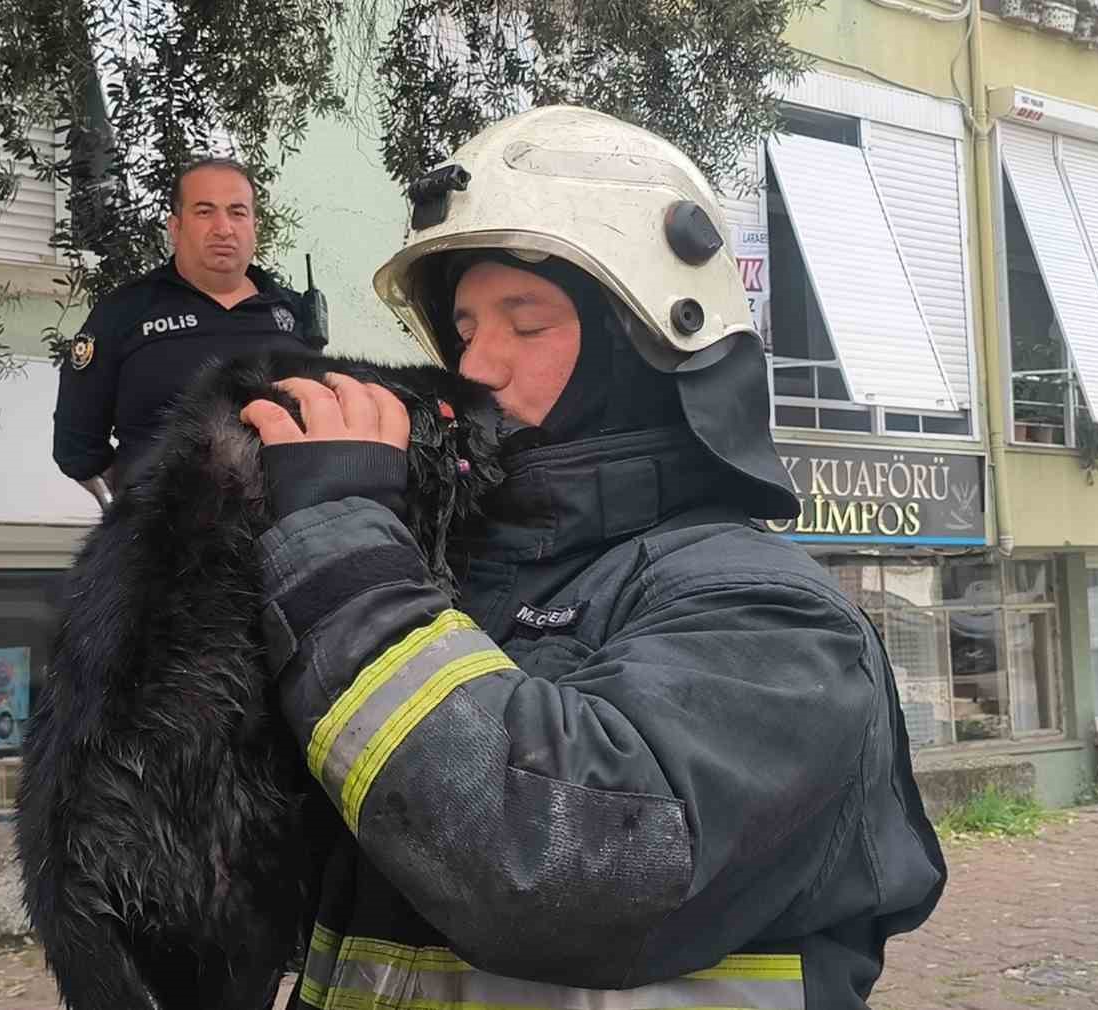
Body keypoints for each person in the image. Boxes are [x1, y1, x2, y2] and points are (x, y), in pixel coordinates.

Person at [238, 106, 945, 1009]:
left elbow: (560, 866)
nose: (478, 364)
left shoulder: (772, 614)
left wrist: (340, 545)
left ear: (644, 345)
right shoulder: (448, 588)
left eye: (525, 325)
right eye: (462, 329)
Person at [52, 157, 324, 507]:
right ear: (175, 227)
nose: (224, 228)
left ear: (255, 226)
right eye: (205, 211)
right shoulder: (124, 312)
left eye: (238, 212)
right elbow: (77, 447)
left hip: (284, 529)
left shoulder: (293, 313)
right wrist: (128, 507)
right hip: (165, 536)